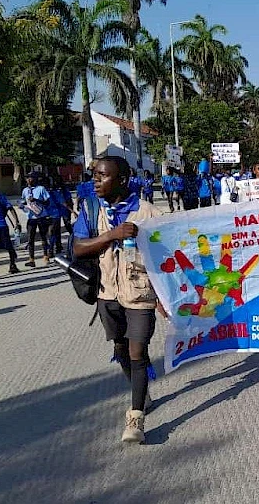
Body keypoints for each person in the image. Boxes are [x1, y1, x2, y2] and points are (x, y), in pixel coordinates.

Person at [72, 156, 164, 443]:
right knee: (121, 348)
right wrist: (112, 234)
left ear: (122, 180)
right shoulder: (90, 210)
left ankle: (136, 416)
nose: (96, 181)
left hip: (139, 294)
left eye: (102, 176)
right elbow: (78, 249)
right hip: (106, 294)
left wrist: (165, 297)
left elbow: (165, 259)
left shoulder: (150, 214)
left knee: (138, 353)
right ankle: (142, 391)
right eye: (94, 176)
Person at [20, 171, 51, 267]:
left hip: (41, 216)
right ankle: (31, 259)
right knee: (30, 238)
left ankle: (46, 255)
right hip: (31, 217)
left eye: (30, 178)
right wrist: (22, 204)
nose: (28, 180)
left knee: (43, 237)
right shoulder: (25, 190)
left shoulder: (41, 189)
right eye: (27, 178)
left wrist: (37, 200)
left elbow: (47, 202)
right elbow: (24, 201)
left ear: (35, 179)